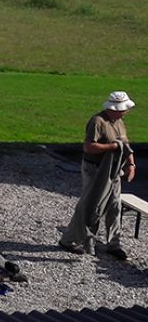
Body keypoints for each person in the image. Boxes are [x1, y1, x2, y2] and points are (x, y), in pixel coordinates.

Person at [59, 92, 137, 260]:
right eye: (124, 109)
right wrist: (112, 148)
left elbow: (125, 143)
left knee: (115, 206)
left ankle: (114, 244)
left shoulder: (120, 122)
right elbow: (89, 147)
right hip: (94, 170)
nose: (126, 112)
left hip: (114, 170)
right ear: (115, 109)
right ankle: (70, 239)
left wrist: (131, 163)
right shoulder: (97, 122)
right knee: (90, 206)